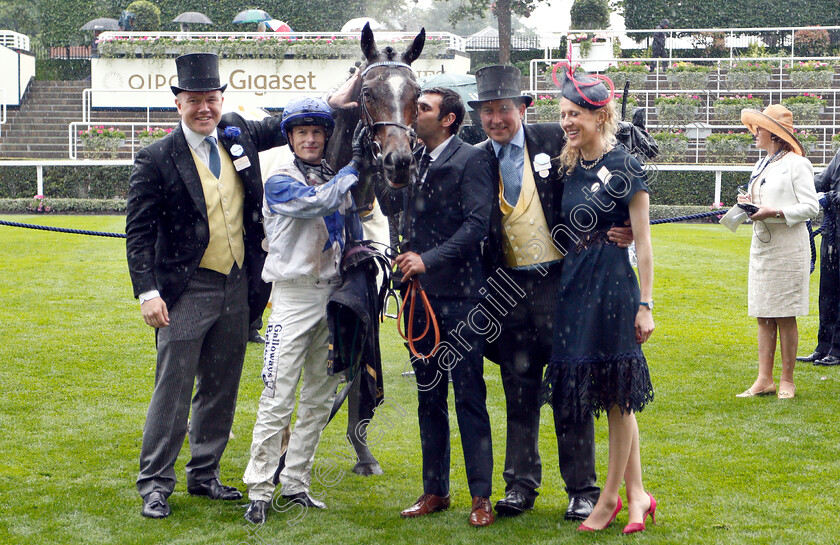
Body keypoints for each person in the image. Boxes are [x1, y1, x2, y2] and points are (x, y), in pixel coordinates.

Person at [125, 53, 285, 519]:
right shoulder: (155, 157)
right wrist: (147, 292)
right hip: (185, 286)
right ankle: (155, 483)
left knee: (221, 385)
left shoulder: (239, 135)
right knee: (172, 390)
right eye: (193, 100)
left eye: (210, 99)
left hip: (238, 284)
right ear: (178, 103)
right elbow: (137, 233)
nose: (204, 109)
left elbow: (292, 123)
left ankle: (205, 473)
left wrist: (353, 88)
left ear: (221, 100)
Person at [469, 64, 604, 520]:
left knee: (569, 386)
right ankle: (521, 484)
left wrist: (619, 226)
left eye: (503, 109)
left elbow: (600, 177)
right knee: (518, 390)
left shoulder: (555, 138)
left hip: (559, 283)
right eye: (487, 111)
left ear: (522, 109)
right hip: (507, 291)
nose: (495, 119)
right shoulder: (477, 158)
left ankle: (583, 488)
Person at [539, 68, 656, 534]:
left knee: (618, 397)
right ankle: (638, 496)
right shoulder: (567, 162)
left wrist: (646, 304)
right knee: (611, 397)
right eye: (564, 114)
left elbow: (644, 244)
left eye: (577, 115)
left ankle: (608, 499)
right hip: (574, 285)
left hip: (613, 286)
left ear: (600, 115)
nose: (567, 122)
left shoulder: (626, 164)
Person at [375, 87, 496, 527]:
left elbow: (477, 225)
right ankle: (435, 490)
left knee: (469, 396)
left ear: (447, 119)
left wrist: (428, 259)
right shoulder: (411, 159)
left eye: (420, 108)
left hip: (463, 297)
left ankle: (481, 496)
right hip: (418, 298)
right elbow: (392, 209)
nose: (412, 114)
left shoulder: (473, 158)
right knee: (429, 398)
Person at [241, 97, 365, 524]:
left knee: (317, 398)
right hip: (291, 299)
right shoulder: (279, 178)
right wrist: (354, 169)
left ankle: (296, 483)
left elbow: (350, 227)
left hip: (330, 295)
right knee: (277, 397)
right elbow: (318, 203)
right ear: (290, 138)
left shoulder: (335, 177)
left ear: (325, 136)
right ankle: (259, 487)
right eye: (301, 133)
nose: (310, 139)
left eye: (317, 133)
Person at [735, 105, 819, 399]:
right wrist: (748, 202)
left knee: (785, 315)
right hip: (762, 246)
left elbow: (811, 207)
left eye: (759, 128)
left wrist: (777, 211)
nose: (754, 132)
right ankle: (764, 379)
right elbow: (763, 199)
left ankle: (787, 380)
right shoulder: (762, 164)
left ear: (774, 133)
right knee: (763, 314)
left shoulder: (797, 164)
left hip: (788, 247)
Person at [797, 147, 840, 366]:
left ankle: (838, 350)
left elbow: (828, 191)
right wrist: (798, 185)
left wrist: (830, 198)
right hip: (832, 234)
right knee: (827, 294)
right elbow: (821, 180)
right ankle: (823, 347)